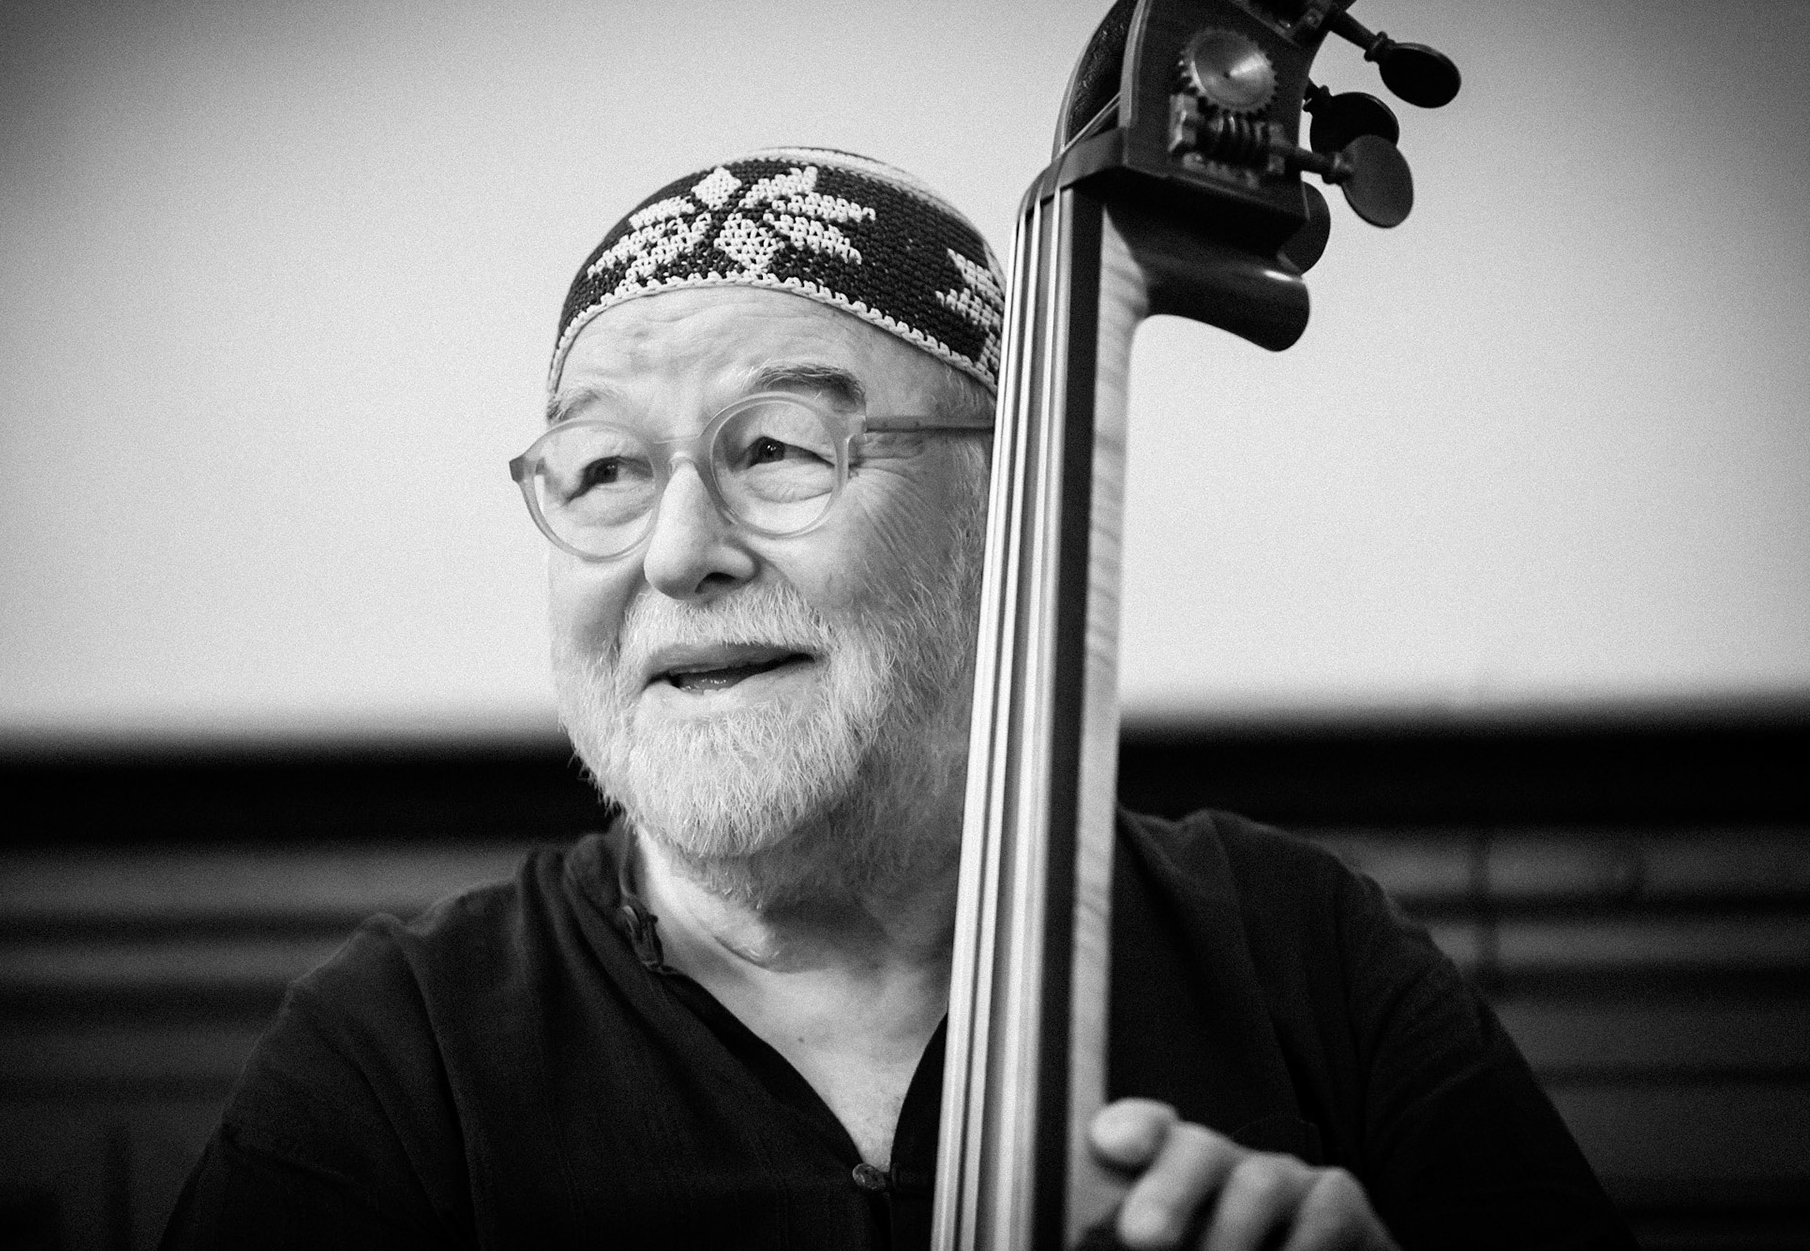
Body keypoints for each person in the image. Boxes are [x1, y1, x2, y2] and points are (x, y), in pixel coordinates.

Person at [162, 148, 1634, 1250]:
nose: (678, 551)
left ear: (1009, 523)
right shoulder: (394, 1055)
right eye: (604, 472)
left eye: (783, 448)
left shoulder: (1307, 960)